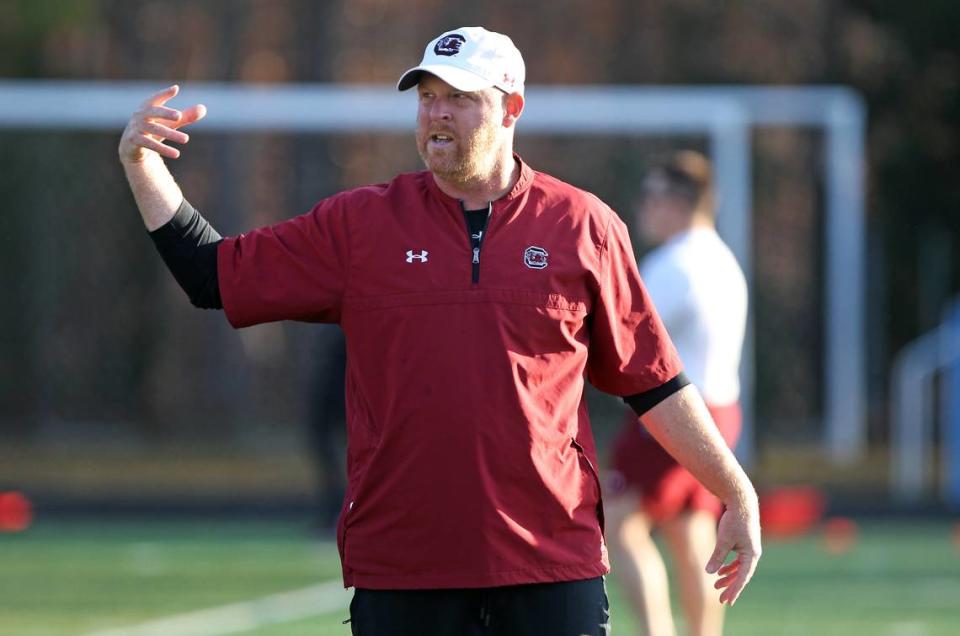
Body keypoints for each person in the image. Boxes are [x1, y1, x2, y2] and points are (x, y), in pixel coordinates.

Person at [118, 26, 760, 636]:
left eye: (458, 97)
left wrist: (735, 490)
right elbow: (212, 276)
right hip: (403, 567)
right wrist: (142, 164)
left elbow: (654, 383)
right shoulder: (359, 225)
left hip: (551, 563)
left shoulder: (584, 226)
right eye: (427, 98)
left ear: (511, 107)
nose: (436, 115)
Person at [604, 151, 749, 636]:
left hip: (675, 413)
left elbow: (625, 336)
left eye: (652, 196)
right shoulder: (723, 259)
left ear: (677, 202)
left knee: (619, 525)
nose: (643, 207)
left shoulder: (674, 263)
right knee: (691, 533)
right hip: (721, 409)